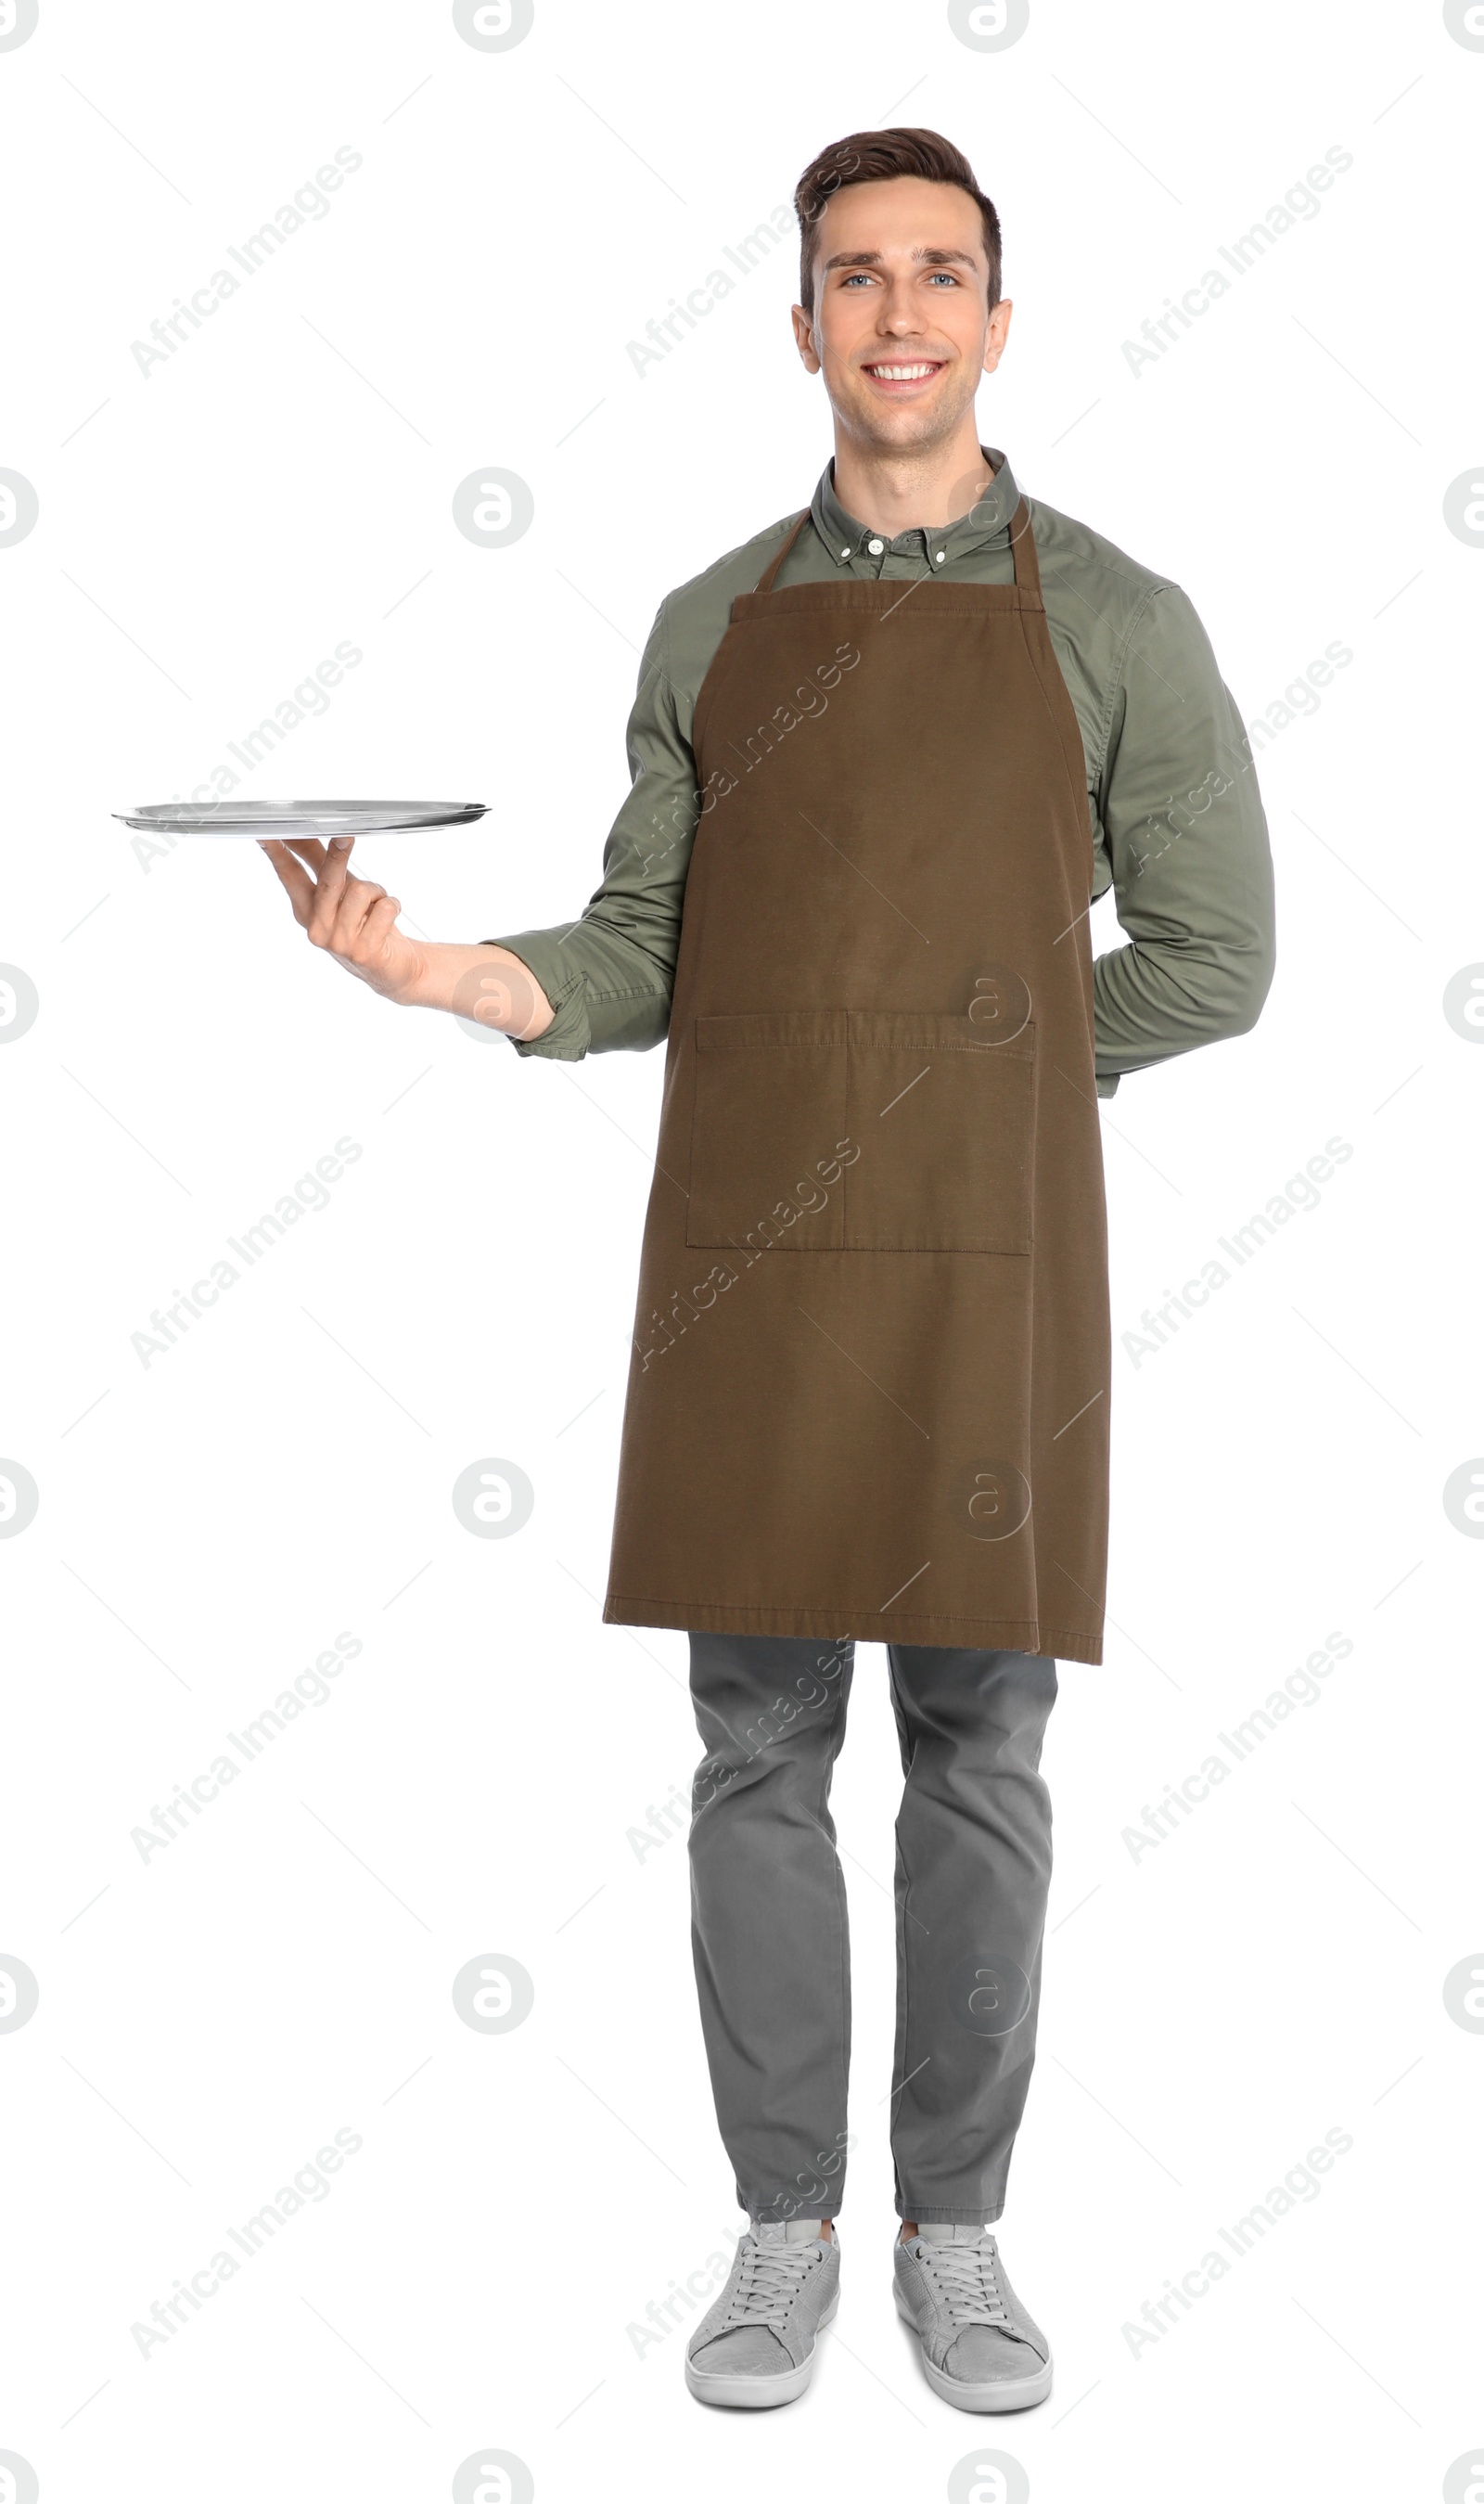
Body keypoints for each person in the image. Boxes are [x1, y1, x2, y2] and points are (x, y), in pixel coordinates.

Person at [262, 127, 1275, 2416]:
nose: (897, 312)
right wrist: (435, 969)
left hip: (986, 1268)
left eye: (938, 274)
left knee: (981, 1749)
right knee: (750, 1747)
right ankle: (777, 2228)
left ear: (997, 322)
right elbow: (642, 945)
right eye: (853, 276)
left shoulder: (1114, 618)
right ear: (800, 323)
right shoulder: (708, 622)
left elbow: (1215, 960)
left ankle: (961, 2234)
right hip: (756, 1265)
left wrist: (984, 1076)